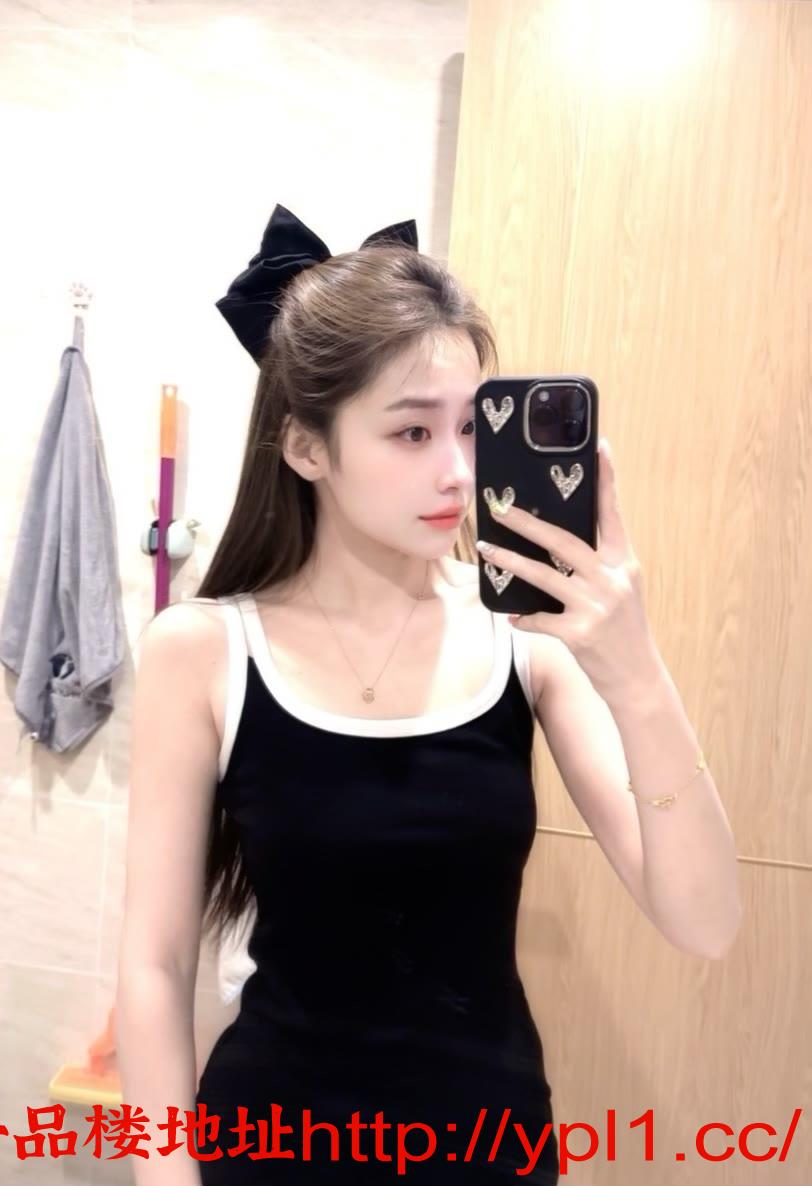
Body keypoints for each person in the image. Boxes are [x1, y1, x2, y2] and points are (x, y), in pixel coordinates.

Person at [115, 206, 562, 1185]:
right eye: (412, 431)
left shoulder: (525, 634)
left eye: (470, 426)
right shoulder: (202, 650)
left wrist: (629, 654)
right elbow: (154, 964)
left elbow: (705, 920)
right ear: (306, 448)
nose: (458, 470)